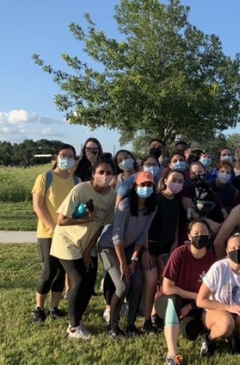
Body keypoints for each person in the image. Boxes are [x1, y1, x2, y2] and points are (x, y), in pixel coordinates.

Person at [50, 158, 117, 339]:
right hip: (67, 242)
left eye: (109, 173)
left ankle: (78, 320)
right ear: (93, 174)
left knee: (89, 284)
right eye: (101, 172)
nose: (105, 176)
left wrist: (88, 251)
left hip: (88, 244)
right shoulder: (81, 189)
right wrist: (87, 219)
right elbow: (61, 220)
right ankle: (73, 328)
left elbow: (102, 225)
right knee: (78, 281)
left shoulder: (112, 196)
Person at [98, 171, 156, 339]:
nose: (146, 188)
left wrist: (134, 260)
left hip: (130, 248)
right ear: (134, 186)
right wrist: (123, 263)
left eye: (149, 185)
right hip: (109, 247)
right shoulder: (124, 205)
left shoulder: (151, 208)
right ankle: (113, 326)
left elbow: (142, 235)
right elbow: (117, 236)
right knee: (123, 286)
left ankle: (130, 325)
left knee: (137, 282)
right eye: (142, 185)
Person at [156, 219, 217, 365]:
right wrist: (195, 296)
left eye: (204, 233)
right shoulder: (179, 253)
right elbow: (168, 288)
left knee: (190, 331)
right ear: (189, 236)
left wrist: (190, 305)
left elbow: (212, 293)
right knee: (174, 299)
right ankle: (171, 355)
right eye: (196, 233)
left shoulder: (212, 260)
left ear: (209, 235)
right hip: (167, 299)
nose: (200, 236)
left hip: (194, 304)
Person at [31, 144, 80, 323]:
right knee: (48, 271)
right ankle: (39, 308)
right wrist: (54, 228)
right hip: (48, 233)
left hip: (68, 235)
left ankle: (55, 308)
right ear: (56, 157)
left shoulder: (76, 181)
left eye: (71, 156)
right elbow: (38, 206)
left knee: (61, 273)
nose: (67, 159)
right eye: (63, 155)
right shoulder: (45, 178)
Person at [197, 233, 240, 357]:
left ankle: (237, 338)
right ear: (227, 251)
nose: (237, 250)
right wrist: (228, 308)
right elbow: (201, 301)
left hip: (238, 312)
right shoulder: (218, 268)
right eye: (233, 248)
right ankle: (209, 339)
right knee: (226, 324)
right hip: (213, 310)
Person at [142, 169, 185, 334]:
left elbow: (175, 222)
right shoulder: (156, 199)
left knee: (165, 283)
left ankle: (154, 315)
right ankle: (146, 321)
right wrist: (145, 250)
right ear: (165, 180)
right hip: (150, 247)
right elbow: (144, 226)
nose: (177, 184)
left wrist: (174, 241)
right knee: (152, 281)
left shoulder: (177, 200)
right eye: (174, 179)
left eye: (181, 181)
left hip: (167, 248)